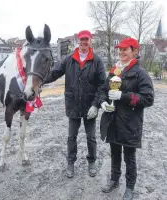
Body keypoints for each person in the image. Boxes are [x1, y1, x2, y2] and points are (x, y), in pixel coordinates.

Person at [44, 30, 106, 178]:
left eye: (87, 40)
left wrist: (96, 105)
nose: (84, 42)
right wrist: (40, 80)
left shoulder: (96, 61)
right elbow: (54, 73)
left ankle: (92, 162)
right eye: (82, 40)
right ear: (78, 41)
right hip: (73, 105)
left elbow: (102, 85)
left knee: (91, 137)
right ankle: (70, 162)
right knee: (71, 136)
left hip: (89, 105)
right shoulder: (69, 59)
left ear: (90, 41)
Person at [99, 38, 154, 200]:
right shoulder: (115, 70)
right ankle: (114, 179)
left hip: (130, 123)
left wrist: (123, 96)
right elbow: (103, 89)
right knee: (114, 153)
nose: (121, 52)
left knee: (129, 157)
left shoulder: (140, 74)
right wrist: (102, 102)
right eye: (120, 50)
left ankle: (130, 187)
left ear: (134, 51)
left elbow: (148, 98)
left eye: (125, 50)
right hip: (113, 120)